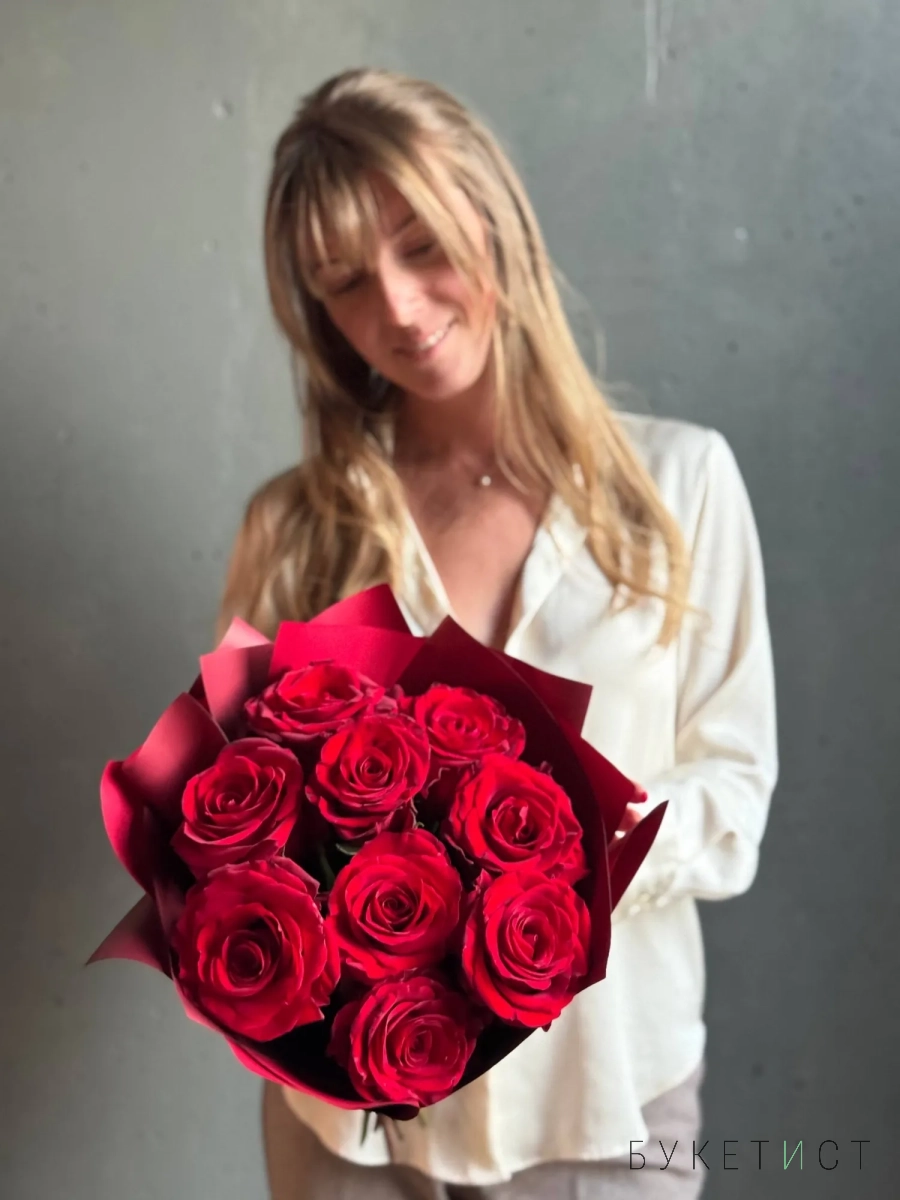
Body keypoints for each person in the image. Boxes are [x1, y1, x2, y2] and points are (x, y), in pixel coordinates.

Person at [215, 67, 778, 1200]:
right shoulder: (295, 529)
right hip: (351, 1132)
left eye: (422, 246)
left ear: (495, 217)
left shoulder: (679, 487)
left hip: (606, 1108)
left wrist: (553, 852)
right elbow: (230, 829)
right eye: (346, 283)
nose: (400, 309)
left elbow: (733, 799)